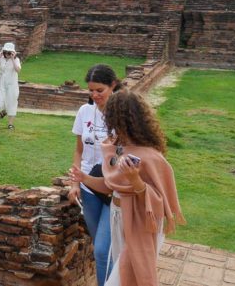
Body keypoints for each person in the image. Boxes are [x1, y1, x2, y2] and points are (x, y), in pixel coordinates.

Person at [99, 91, 185, 286]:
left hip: (140, 224)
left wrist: (135, 179)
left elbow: (159, 204)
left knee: (127, 275)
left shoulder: (151, 156)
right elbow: (110, 185)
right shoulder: (115, 147)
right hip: (118, 216)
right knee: (122, 269)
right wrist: (82, 178)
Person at [68, 64, 120, 286]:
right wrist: (74, 183)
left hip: (113, 189)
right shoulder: (84, 112)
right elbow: (79, 150)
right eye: (91, 91)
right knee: (101, 246)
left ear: (113, 86)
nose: (94, 95)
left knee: (101, 250)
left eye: (100, 90)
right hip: (88, 187)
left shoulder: (122, 114)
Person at [0, 42, 21, 130]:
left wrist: (12, 58)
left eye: (10, 52)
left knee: (12, 102)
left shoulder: (16, 60)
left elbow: (18, 70)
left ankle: (10, 124)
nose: (7, 54)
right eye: (6, 52)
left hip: (12, 84)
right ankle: (3, 111)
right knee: (0, 101)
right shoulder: (1, 58)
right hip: (1, 83)